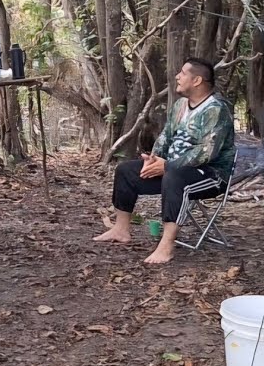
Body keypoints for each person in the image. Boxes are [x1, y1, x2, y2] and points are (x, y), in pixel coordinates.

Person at [95, 58, 236, 264]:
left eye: (183, 73)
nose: (177, 77)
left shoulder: (217, 109)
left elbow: (207, 152)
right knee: (126, 170)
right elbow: (165, 137)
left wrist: (168, 166)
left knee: (174, 177)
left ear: (197, 80)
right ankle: (120, 229)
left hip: (210, 175)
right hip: (172, 170)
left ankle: (167, 245)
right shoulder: (180, 105)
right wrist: (153, 159)